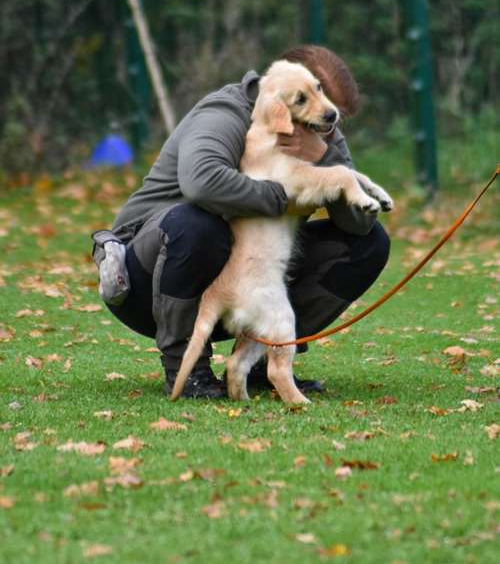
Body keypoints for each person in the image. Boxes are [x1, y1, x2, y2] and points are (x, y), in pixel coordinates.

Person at [92, 45, 390, 398]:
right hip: (145, 283)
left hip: (236, 281)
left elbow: (358, 223)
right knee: (198, 222)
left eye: (334, 113)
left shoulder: (321, 131)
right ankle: (186, 371)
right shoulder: (226, 113)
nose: (329, 119)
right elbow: (200, 182)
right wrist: (282, 200)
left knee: (370, 243)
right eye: (315, 100)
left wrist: (325, 159)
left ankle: (266, 358)